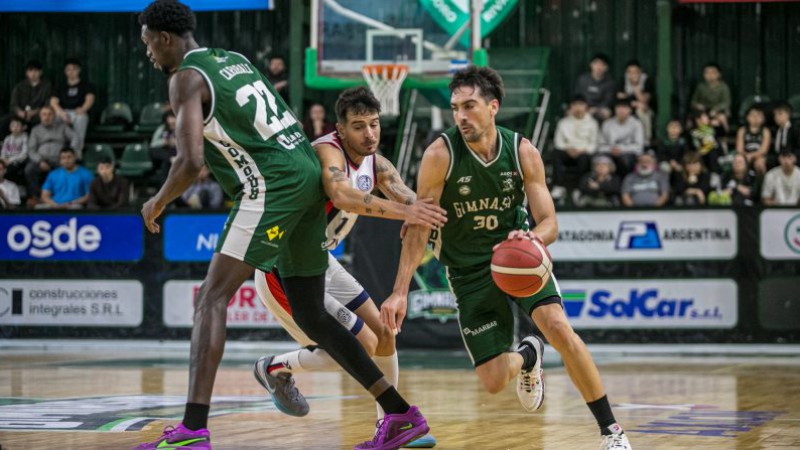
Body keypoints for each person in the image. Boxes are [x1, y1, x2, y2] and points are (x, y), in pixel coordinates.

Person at [134, 2, 438, 448]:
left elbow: (190, 161)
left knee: (211, 299)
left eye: (146, 43)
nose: (147, 54)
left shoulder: (185, 78)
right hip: (305, 175)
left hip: (271, 184)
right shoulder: (233, 61)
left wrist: (157, 201)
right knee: (312, 312)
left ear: (162, 38)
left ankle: (192, 430)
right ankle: (400, 415)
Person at [381, 66, 632, 450]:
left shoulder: (522, 151)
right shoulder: (439, 155)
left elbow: (549, 223)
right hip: (467, 272)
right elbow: (419, 227)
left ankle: (611, 432)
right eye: (455, 108)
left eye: (470, 106)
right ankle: (529, 355)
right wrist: (399, 291)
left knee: (560, 329)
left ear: (493, 106)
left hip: (518, 258)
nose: (461, 116)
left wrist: (531, 237)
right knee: (495, 381)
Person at [253, 87, 440, 448]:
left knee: (384, 332)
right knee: (364, 344)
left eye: (373, 124)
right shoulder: (327, 151)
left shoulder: (378, 163)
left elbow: (412, 201)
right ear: (340, 128)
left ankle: (390, 425)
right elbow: (342, 195)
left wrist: (434, 217)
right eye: (358, 126)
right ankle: (275, 367)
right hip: (283, 268)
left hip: (320, 260)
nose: (369, 134)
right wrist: (406, 212)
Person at [25, 106, 77, 199]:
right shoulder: (35, 130)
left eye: (49, 114)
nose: (47, 117)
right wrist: (40, 161)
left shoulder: (62, 127)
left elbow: (75, 137)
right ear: (40, 116)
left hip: (60, 159)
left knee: (68, 169)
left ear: (54, 116)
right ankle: (37, 197)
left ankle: (62, 196)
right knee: (29, 170)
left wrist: (70, 153)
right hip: (41, 159)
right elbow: (31, 149)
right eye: (44, 114)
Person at [552, 94, 598, 196]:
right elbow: (558, 141)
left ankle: (580, 188)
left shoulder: (592, 123)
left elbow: (593, 143)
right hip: (567, 151)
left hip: (583, 152)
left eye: (581, 104)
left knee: (585, 159)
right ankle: (558, 186)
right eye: (575, 105)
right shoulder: (563, 122)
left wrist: (582, 150)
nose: (578, 108)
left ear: (586, 107)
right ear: (571, 107)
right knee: (556, 154)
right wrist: (568, 149)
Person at [50, 58, 95, 154]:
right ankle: (57, 151)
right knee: (54, 118)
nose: (71, 72)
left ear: (79, 70)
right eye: (68, 69)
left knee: (81, 118)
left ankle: (76, 152)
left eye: (74, 69)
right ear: (65, 71)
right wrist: (61, 113)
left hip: (78, 112)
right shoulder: (60, 85)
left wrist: (83, 109)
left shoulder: (86, 85)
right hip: (63, 112)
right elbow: (53, 101)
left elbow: (90, 99)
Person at [597, 99, 645, 177]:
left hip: (628, 153)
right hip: (610, 152)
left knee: (624, 160)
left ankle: (625, 184)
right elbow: (600, 146)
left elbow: (639, 146)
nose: (621, 110)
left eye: (624, 108)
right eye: (618, 107)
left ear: (630, 110)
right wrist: (611, 149)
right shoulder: (607, 124)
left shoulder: (636, 124)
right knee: (600, 159)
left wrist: (621, 149)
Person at [6, 60, 53, 129]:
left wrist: (34, 112)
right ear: (26, 73)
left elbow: (48, 103)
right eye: (30, 71)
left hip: (38, 114)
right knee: (4, 122)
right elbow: (13, 105)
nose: (33, 74)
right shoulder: (19, 87)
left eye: (36, 71)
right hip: (21, 114)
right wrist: (21, 113)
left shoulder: (46, 86)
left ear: (40, 72)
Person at [616, 60, 656, 141]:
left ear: (640, 71)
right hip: (628, 106)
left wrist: (635, 86)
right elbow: (619, 97)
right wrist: (634, 103)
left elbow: (644, 100)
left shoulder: (646, 80)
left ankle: (646, 140)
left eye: (635, 72)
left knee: (642, 110)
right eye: (630, 72)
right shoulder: (623, 80)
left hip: (646, 109)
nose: (633, 74)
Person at [573, 53, 616, 121]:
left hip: (599, 110)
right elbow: (577, 96)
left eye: (602, 64)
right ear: (591, 65)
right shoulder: (583, 79)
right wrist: (586, 108)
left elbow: (608, 101)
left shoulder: (610, 83)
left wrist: (596, 109)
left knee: (607, 112)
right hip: (584, 108)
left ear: (606, 68)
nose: (599, 67)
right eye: (596, 64)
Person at [690, 62, 731, 132]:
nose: (710, 75)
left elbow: (726, 103)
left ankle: (726, 133)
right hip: (703, 112)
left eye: (713, 73)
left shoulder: (723, 87)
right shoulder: (701, 87)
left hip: (719, 111)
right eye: (707, 73)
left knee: (721, 118)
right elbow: (693, 101)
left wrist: (716, 109)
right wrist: (698, 105)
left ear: (719, 74)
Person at [735, 106, 771, 175]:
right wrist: (746, 156)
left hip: (759, 156)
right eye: (753, 115)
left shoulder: (765, 131)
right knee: (739, 160)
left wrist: (751, 156)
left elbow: (763, 150)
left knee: (759, 163)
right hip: (745, 155)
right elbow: (739, 149)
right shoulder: (742, 130)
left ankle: (760, 183)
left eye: (758, 115)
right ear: (747, 117)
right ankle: (740, 182)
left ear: (763, 118)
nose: (755, 117)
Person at [150, 110, 178, 183]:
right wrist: (164, 142)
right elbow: (153, 144)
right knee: (154, 151)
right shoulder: (162, 128)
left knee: (165, 164)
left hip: (176, 153)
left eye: (174, 117)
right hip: (164, 153)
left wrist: (176, 142)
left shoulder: (181, 128)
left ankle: (164, 190)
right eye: (170, 118)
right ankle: (169, 158)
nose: (172, 120)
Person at [771, 102, 800, 168]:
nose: (777, 117)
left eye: (780, 114)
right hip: (777, 157)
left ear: (788, 115)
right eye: (775, 115)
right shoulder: (774, 130)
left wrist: (793, 156)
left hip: (792, 157)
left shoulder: (796, 129)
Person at [1, 117, 29, 185]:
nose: (15, 128)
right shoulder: (8, 138)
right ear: (10, 127)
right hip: (6, 160)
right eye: (13, 126)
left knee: (8, 171)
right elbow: (3, 151)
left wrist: (10, 160)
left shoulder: (25, 137)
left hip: (18, 161)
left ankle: (13, 187)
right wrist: (2, 159)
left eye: (18, 126)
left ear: (23, 127)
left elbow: (24, 154)